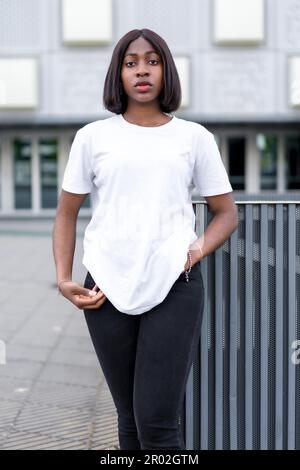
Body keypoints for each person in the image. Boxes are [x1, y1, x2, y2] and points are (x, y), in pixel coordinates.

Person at [52, 28, 238, 450]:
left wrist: (196, 250)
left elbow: (226, 214)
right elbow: (66, 213)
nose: (142, 71)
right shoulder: (93, 137)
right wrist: (65, 278)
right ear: (118, 74)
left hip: (175, 282)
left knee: (156, 421)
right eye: (131, 62)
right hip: (104, 287)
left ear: (166, 72)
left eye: (152, 61)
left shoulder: (194, 138)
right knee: (130, 418)